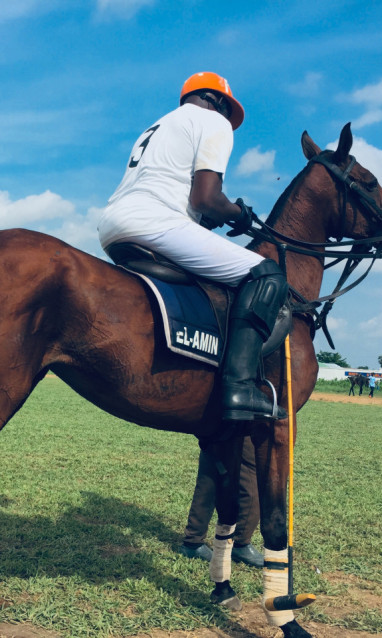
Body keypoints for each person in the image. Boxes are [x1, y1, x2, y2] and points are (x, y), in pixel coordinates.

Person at [98, 71, 289, 422]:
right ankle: (240, 389)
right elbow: (205, 198)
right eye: (228, 113)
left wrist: (209, 215)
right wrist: (239, 214)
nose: (228, 123)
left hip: (113, 226)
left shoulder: (158, 125)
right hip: (153, 223)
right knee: (267, 275)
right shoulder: (213, 123)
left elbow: (180, 192)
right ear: (217, 102)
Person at [177, 438, 263, 567]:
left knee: (210, 467)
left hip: (214, 423)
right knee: (249, 468)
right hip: (242, 421)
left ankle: (193, 541)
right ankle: (240, 543)